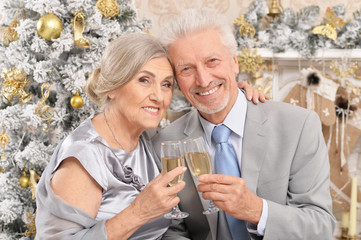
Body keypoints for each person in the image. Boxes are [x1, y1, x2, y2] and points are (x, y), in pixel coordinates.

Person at [35, 33, 265, 239]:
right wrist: (138, 213)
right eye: (144, 80)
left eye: (166, 84)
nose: (158, 96)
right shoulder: (84, 158)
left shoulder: (148, 139)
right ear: (112, 86)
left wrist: (237, 94)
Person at [152, 8, 336, 240]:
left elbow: (320, 227)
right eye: (186, 69)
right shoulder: (166, 143)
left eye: (212, 61)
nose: (203, 79)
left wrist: (257, 210)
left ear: (235, 62)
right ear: (177, 80)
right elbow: (170, 230)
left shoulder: (298, 126)